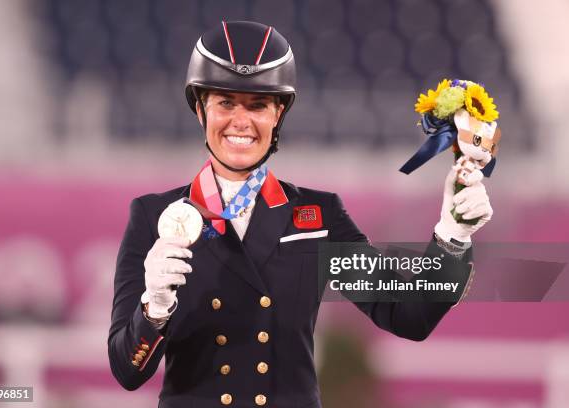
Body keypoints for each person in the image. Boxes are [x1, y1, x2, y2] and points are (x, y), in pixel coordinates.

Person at [108, 21, 493, 408]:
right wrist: (153, 308)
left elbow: (409, 315)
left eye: (258, 105)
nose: (241, 121)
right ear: (199, 110)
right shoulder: (153, 216)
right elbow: (127, 370)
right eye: (225, 102)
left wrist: (452, 235)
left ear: (278, 114)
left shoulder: (318, 215)